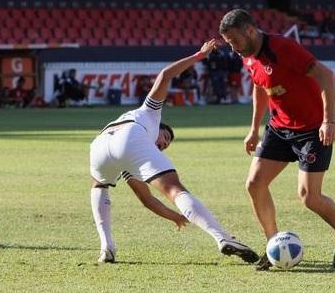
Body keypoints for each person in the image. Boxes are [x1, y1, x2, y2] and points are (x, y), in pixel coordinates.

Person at [89, 39, 259, 264]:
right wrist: (198, 56)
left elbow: (147, 199)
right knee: (175, 189)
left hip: (99, 145)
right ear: (159, 127)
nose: (161, 145)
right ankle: (222, 237)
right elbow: (165, 75)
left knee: (99, 186)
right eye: (164, 138)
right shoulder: (150, 112)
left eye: (164, 146)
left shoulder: (134, 157)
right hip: (129, 136)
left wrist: (176, 217)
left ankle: (107, 248)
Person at [219, 9, 335, 270]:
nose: (233, 48)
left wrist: (329, 121)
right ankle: (274, 246)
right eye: (228, 43)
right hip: (279, 128)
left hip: (312, 130)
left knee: (309, 197)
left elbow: (326, 76)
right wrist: (254, 129)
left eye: (234, 40)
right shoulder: (248, 57)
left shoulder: (283, 47)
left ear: (249, 30)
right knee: (254, 184)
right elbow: (261, 88)